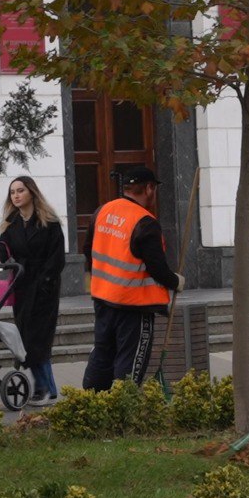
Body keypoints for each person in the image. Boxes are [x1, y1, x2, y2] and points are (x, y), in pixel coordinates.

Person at [81, 166, 184, 390]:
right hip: (135, 307)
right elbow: (157, 267)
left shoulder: (102, 211)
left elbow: (88, 249)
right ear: (148, 188)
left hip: (102, 300)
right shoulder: (145, 222)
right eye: (154, 189)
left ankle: (90, 402)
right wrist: (176, 282)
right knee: (129, 363)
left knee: (103, 353)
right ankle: (123, 407)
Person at [0, 176, 66, 406]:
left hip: (43, 288)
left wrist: (46, 282)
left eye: (20, 190)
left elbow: (56, 257)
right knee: (25, 339)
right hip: (21, 286)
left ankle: (46, 389)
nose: (16, 195)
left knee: (38, 340)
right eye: (13, 192)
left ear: (31, 192)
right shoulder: (13, 223)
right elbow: (4, 246)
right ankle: (45, 388)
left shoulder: (49, 223)